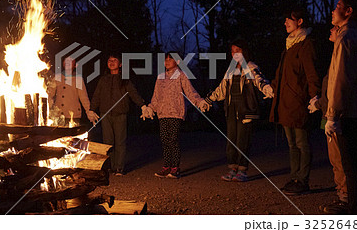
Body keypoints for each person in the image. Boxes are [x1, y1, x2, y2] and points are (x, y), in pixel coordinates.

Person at [323, 0, 357, 214]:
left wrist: (332, 115)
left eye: (338, 7)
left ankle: (354, 208)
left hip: (348, 112)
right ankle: (355, 205)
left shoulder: (346, 38)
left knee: (350, 163)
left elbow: (340, 79)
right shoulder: (356, 37)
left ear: (348, 11)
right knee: (352, 162)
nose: (334, 10)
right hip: (356, 110)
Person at [203, 39, 273, 182]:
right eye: (232, 51)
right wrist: (208, 100)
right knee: (231, 141)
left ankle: (243, 170)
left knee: (243, 140)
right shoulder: (231, 70)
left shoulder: (250, 67)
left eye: (238, 51)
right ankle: (233, 169)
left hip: (246, 110)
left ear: (244, 52)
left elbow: (258, 79)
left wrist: (266, 88)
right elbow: (221, 89)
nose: (235, 54)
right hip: (231, 110)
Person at [270, 6, 321, 195]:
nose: (285, 23)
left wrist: (315, 96)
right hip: (285, 102)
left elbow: (311, 73)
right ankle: (294, 177)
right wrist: (272, 87)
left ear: (300, 21)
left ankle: (302, 179)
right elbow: (282, 73)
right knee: (292, 144)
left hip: (298, 102)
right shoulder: (289, 45)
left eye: (289, 19)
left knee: (302, 142)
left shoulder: (306, 44)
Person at [143, 51, 208, 179]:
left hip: (175, 112)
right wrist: (151, 108)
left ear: (177, 61)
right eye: (166, 59)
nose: (167, 61)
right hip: (162, 113)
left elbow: (190, 91)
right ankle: (166, 166)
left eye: (170, 59)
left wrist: (199, 101)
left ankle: (175, 167)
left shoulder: (181, 76)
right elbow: (156, 96)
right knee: (164, 139)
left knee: (173, 139)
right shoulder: (160, 77)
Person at [308, 26, 349, 213]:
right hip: (328, 113)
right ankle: (343, 194)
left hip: (335, 115)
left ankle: (345, 198)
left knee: (339, 158)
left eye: (335, 28)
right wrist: (321, 102)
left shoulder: (343, 50)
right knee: (335, 159)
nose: (331, 30)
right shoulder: (334, 55)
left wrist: (322, 104)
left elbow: (336, 87)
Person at [90, 54, 152, 176]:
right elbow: (97, 95)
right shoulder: (103, 79)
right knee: (107, 142)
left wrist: (143, 105)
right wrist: (91, 109)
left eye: (114, 60)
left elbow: (133, 93)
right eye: (109, 60)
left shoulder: (125, 79)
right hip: (105, 113)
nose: (111, 62)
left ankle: (119, 167)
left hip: (120, 113)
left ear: (120, 64)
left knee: (120, 141)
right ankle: (110, 166)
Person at [48, 57, 97, 126]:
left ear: (75, 65)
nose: (68, 63)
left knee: (71, 135)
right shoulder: (57, 77)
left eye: (71, 61)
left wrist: (89, 112)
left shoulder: (78, 79)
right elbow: (49, 95)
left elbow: (84, 98)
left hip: (73, 115)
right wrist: (48, 110)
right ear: (63, 64)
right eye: (66, 61)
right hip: (58, 115)